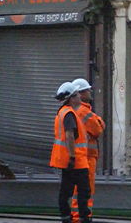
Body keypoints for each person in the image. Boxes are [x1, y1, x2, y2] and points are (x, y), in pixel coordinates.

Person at [49, 81, 91, 223]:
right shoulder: (69, 114)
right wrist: (73, 157)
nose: (80, 96)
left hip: (69, 160)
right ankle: (83, 217)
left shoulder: (64, 112)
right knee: (83, 191)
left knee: (67, 190)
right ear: (71, 98)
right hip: (76, 160)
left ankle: (66, 216)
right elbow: (69, 135)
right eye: (77, 94)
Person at [70, 78, 105, 223]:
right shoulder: (83, 111)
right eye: (87, 90)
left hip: (80, 156)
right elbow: (98, 128)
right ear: (81, 93)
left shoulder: (77, 109)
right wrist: (99, 121)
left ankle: (79, 216)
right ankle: (82, 217)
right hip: (86, 156)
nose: (90, 92)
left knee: (78, 189)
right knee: (86, 189)